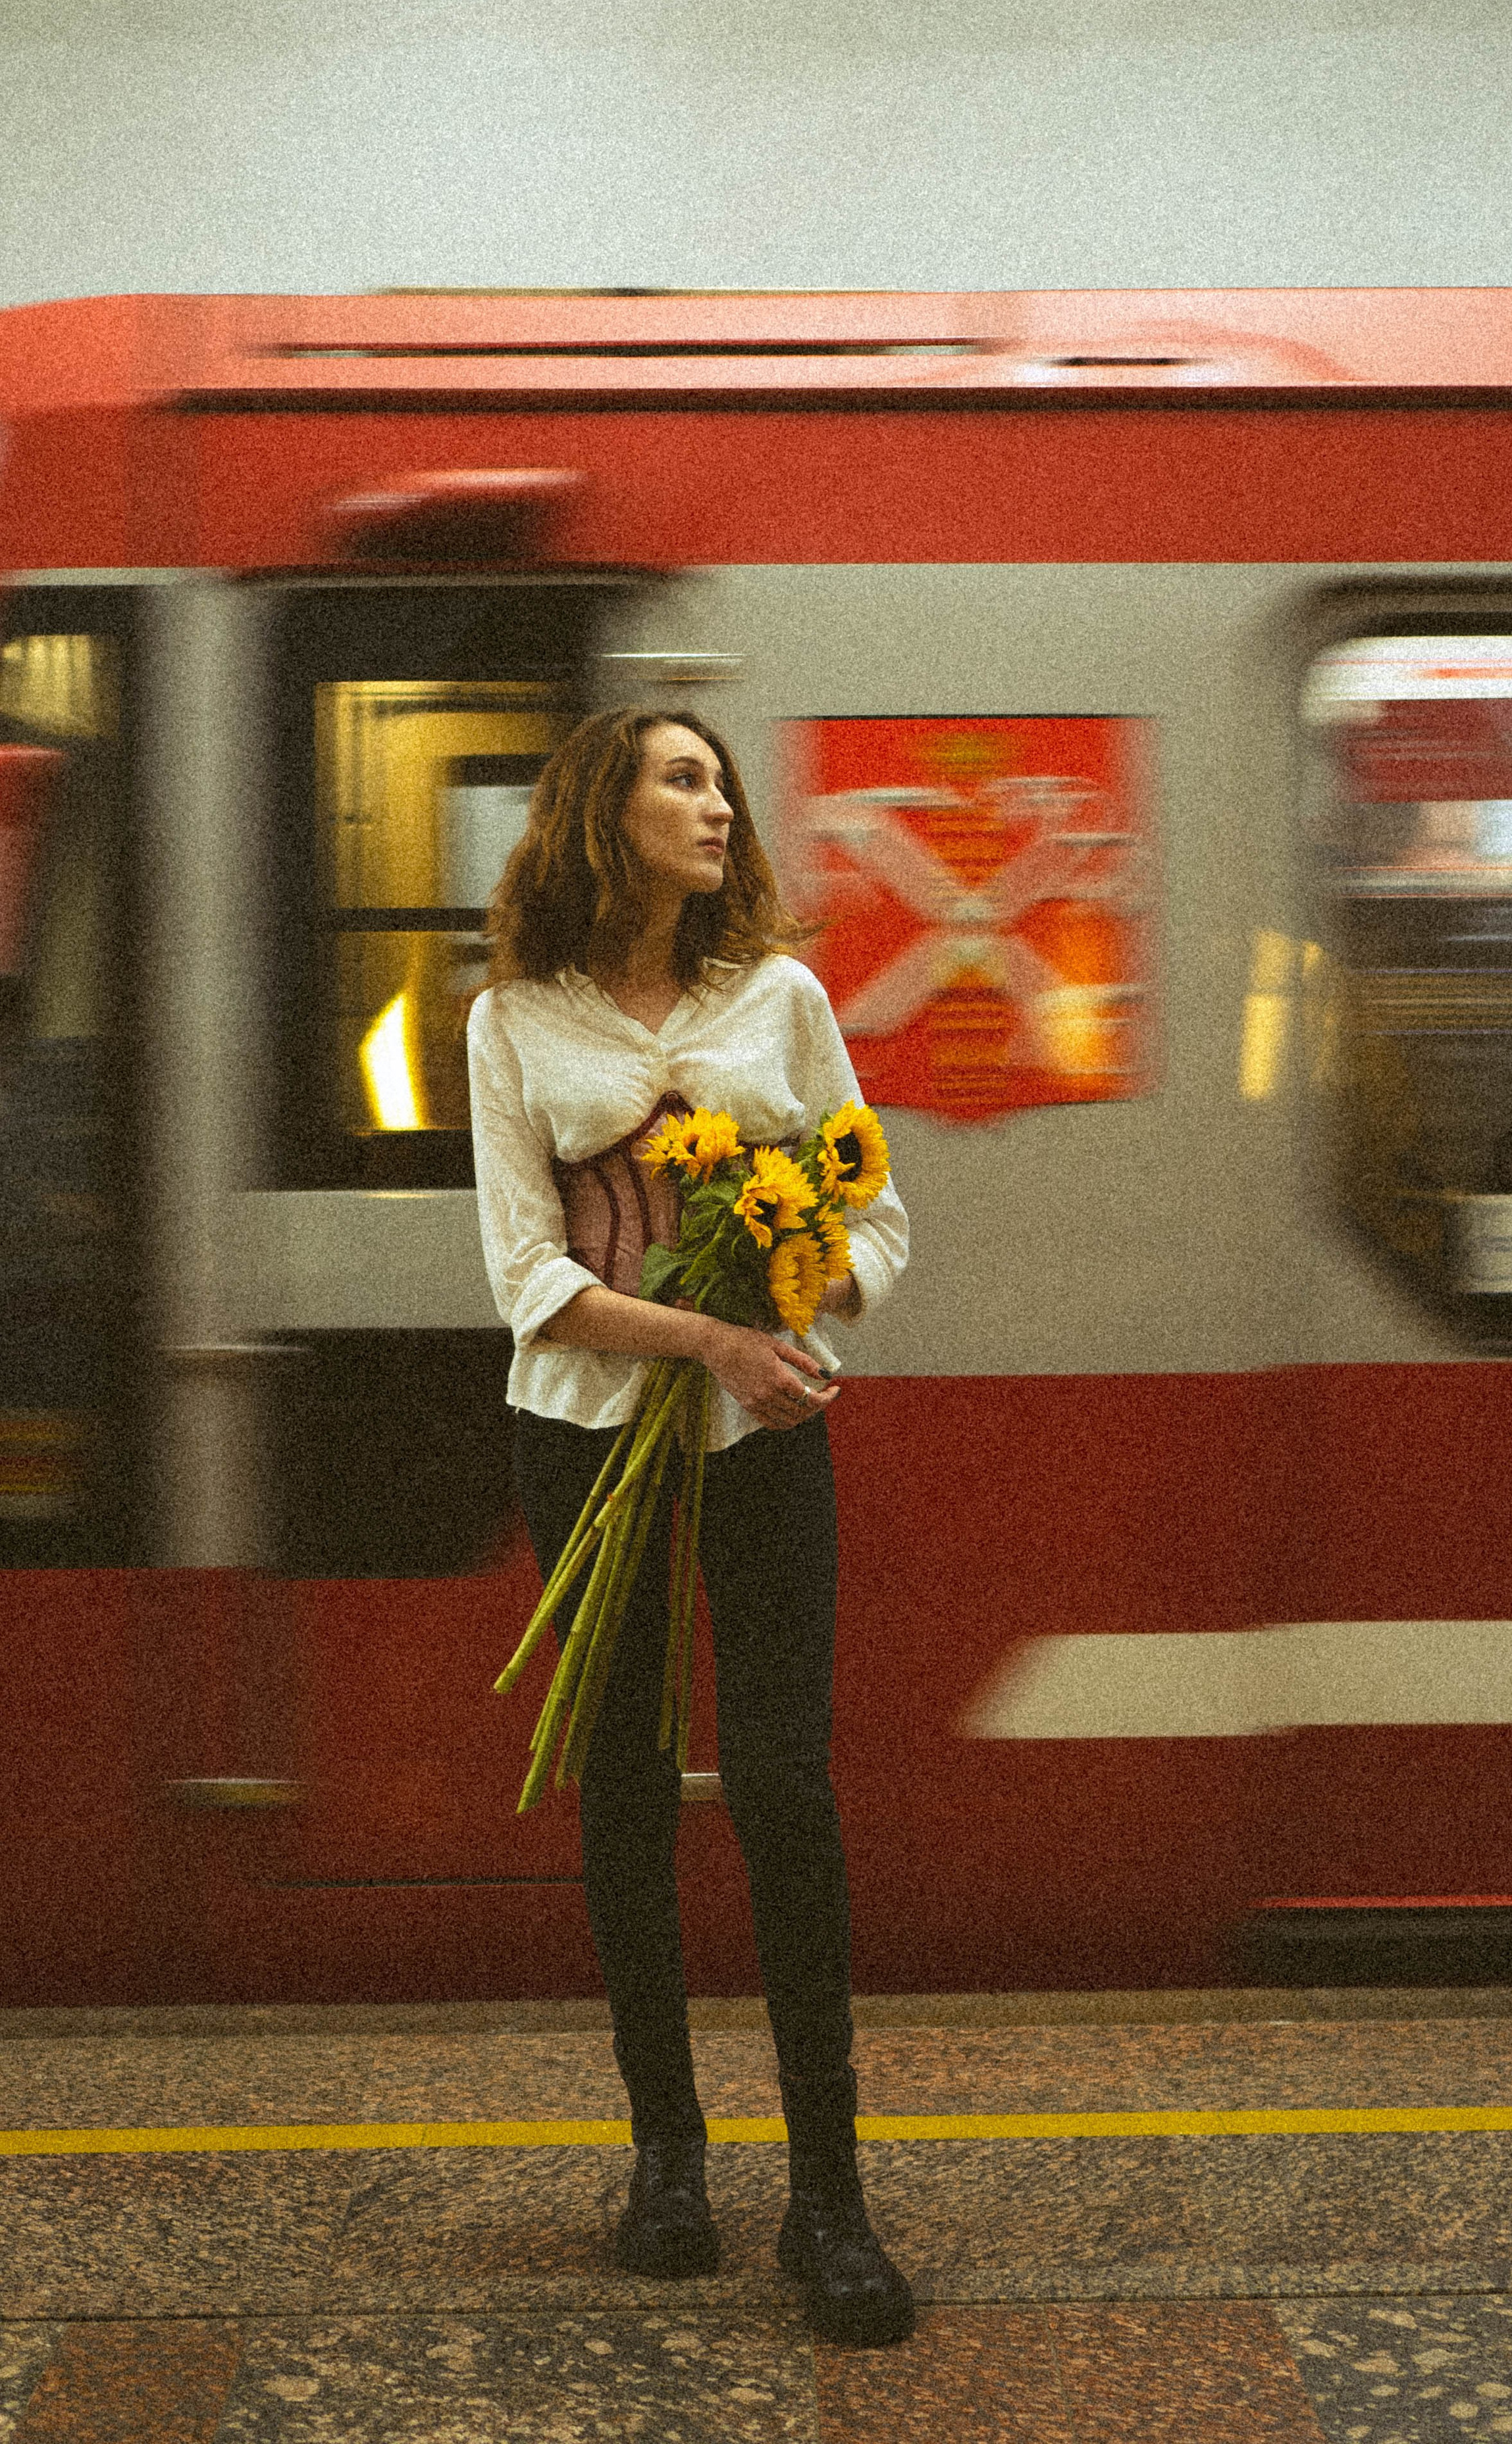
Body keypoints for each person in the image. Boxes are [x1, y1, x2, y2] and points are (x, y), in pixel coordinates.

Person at [465, 706, 914, 2348]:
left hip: (760, 1442)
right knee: (629, 1792)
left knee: (786, 1785)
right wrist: (704, 1334)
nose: (719, 803)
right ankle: (666, 2159)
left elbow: (873, 1207)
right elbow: (528, 1284)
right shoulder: (511, 1019)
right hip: (582, 1440)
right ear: (606, 810)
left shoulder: (781, 1002)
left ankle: (828, 2194)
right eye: (683, 779)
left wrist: (802, 1288)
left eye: (719, 781)